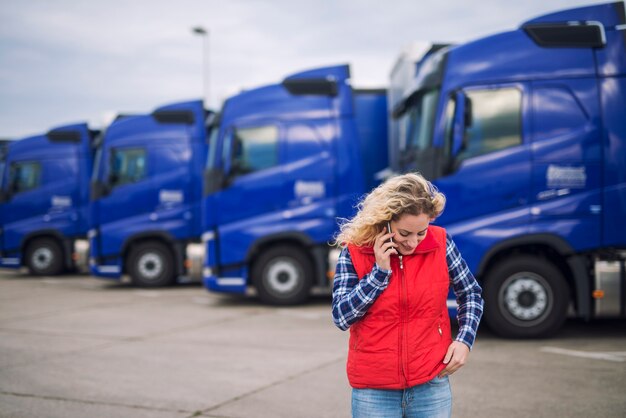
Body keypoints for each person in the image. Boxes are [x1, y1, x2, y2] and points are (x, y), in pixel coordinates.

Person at [332, 172, 484, 418]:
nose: (414, 242)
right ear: (385, 221)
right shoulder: (355, 251)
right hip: (373, 389)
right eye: (404, 234)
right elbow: (341, 316)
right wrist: (379, 273)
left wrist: (464, 340)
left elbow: (471, 293)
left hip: (431, 383)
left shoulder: (441, 242)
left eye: (421, 232)